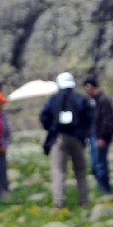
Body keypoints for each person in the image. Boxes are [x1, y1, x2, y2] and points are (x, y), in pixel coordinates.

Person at [39, 71, 93, 209]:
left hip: (59, 137)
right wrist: (83, 133)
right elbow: (89, 118)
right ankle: (83, 200)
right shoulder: (80, 99)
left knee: (58, 171)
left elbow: (44, 117)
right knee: (80, 170)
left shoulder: (53, 99)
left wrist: (51, 128)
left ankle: (59, 202)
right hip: (77, 138)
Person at [83, 77, 113, 195]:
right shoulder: (92, 101)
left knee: (100, 163)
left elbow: (108, 120)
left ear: (90, 86)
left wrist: (102, 137)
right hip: (92, 136)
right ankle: (101, 186)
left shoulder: (103, 100)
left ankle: (105, 188)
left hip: (100, 137)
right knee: (94, 164)